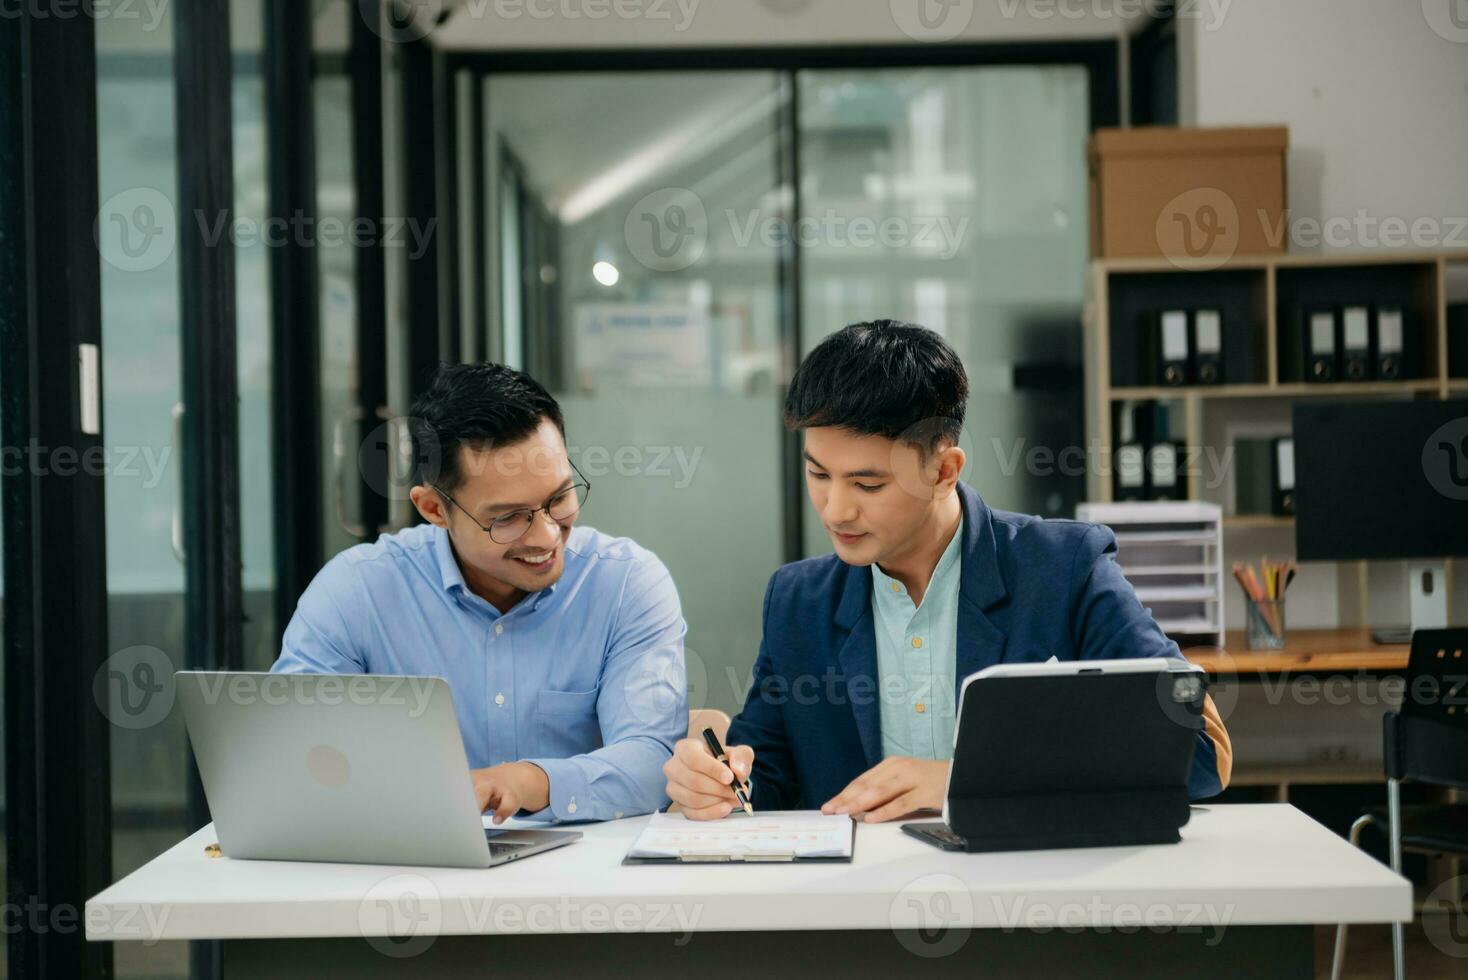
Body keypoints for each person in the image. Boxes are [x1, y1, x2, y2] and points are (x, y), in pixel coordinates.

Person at [663, 320, 1231, 821]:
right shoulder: (798, 600)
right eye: (818, 475)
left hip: (1035, 905)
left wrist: (965, 778)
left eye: (867, 484)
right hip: (850, 914)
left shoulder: (1064, 570)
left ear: (944, 469)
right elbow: (768, 781)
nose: (836, 510)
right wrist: (716, 784)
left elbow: (1197, 756)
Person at [273, 362, 687, 824]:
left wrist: (530, 781)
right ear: (433, 508)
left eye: (559, 499)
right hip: (403, 875)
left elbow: (654, 762)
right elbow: (292, 758)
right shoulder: (356, 592)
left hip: (585, 884)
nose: (547, 536)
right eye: (507, 518)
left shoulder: (626, 583)